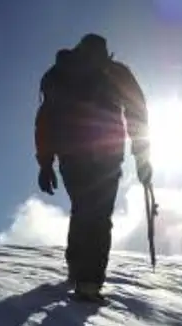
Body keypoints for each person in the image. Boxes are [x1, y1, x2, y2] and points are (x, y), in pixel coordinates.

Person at [34, 33, 152, 301]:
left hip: (70, 156)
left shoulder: (60, 74)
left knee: (84, 211)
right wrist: (143, 157)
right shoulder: (115, 72)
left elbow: (45, 120)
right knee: (97, 216)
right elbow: (137, 114)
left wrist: (45, 163)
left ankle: (77, 271)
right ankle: (88, 284)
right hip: (106, 156)